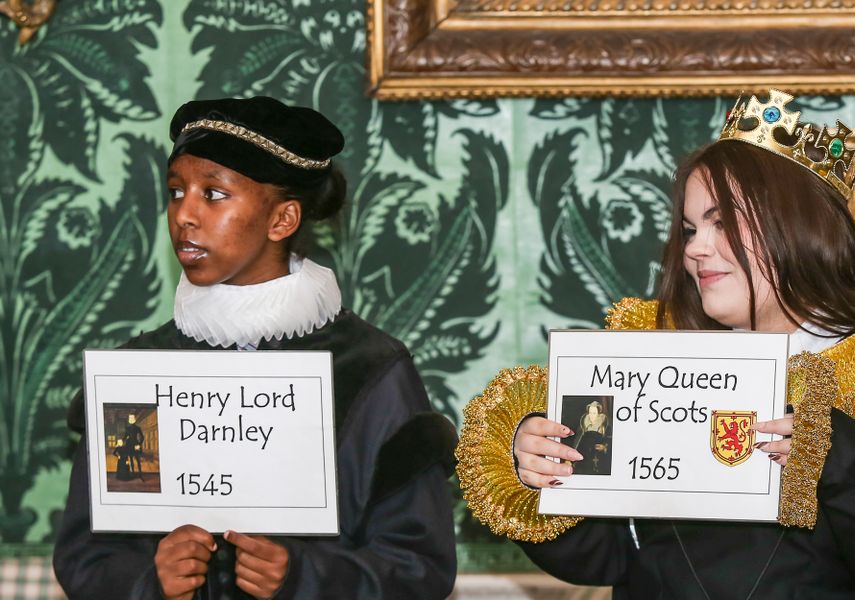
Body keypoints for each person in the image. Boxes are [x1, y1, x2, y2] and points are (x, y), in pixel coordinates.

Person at [53, 97, 458, 599]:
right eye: (176, 191)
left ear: (282, 219)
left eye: (214, 194)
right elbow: (86, 558)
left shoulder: (373, 372)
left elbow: (420, 565)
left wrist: (304, 576)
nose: (184, 214)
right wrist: (148, 581)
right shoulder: (136, 375)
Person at [460, 90, 855, 599]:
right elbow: (604, 555)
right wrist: (544, 471)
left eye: (722, 222)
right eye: (690, 228)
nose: (694, 247)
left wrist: (838, 457)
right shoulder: (648, 365)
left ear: (801, 227)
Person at [124, 414, 144, 478]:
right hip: (130, 445)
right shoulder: (128, 428)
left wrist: (139, 444)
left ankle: (139, 474)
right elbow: (125, 436)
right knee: (132, 460)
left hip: (134, 445)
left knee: (136, 460)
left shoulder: (137, 428)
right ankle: (134, 473)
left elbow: (142, 437)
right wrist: (121, 441)